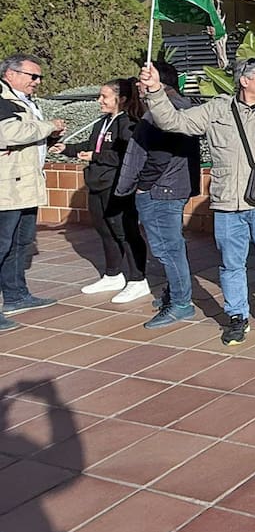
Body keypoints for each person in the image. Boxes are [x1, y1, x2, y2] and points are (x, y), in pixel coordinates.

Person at [140, 57, 255, 346]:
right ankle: (237, 316)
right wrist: (155, 91)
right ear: (244, 80)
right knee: (230, 264)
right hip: (227, 204)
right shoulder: (216, 110)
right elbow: (173, 121)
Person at [116, 61, 202, 329]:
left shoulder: (165, 109)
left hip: (161, 190)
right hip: (170, 187)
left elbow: (161, 154)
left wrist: (143, 184)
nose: (139, 87)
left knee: (168, 249)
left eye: (143, 80)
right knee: (171, 245)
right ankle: (174, 294)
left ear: (157, 81)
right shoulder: (179, 104)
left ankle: (180, 304)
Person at [51, 78, 150, 303]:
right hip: (97, 183)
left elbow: (126, 154)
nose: (99, 101)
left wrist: (95, 157)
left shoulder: (128, 123)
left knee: (124, 231)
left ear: (121, 99)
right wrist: (67, 149)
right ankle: (113, 274)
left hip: (117, 186)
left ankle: (138, 279)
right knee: (105, 230)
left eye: (104, 96)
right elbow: (92, 144)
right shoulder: (103, 121)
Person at [0, 54, 65, 330]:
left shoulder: (24, 100)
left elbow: (24, 136)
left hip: (25, 184)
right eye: (32, 76)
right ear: (11, 74)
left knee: (19, 243)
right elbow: (8, 133)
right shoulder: (3, 100)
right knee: (2, 245)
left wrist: (47, 142)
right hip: (6, 186)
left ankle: (16, 296)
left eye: (38, 77)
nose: (37, 82)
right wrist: (49, 125)